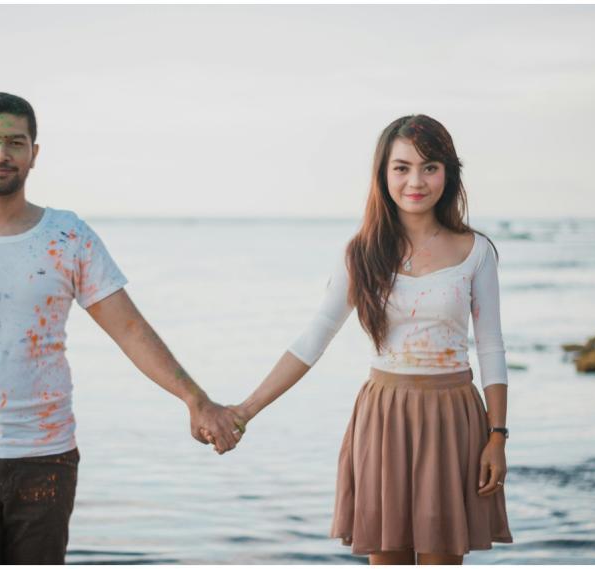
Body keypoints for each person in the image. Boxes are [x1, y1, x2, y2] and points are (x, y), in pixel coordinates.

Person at [0, 92, 245, 564]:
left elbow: (130, 330)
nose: (1, 154)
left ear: (34, 153)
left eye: (15, 142)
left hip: (46, 456)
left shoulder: (67, 236)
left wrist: (195, 399)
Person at [204, 115, 513, 564]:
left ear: (449, 173)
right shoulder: (362, 253)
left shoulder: (476, 251)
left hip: (455, 418)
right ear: (383, 173)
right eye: (402, 167)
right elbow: (313, 339)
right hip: (384, 419)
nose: (416, 181)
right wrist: (244, 411)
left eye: (430, 167)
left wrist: (498, 436)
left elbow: (491, 347)